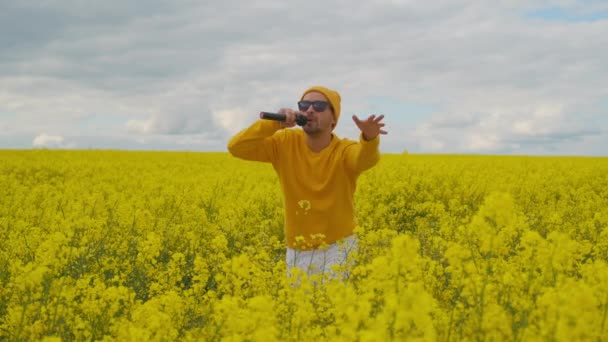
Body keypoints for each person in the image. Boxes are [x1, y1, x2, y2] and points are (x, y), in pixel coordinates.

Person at [227, 86, 387, 278]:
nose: (310, 110)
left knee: (331, 304)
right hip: (297, 248)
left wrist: (370, 138)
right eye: (304, 105)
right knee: (301, 306)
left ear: (334, 118)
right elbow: (236, 147)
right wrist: (274, 124)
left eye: (319, 106)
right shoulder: (283, 142)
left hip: (340, 245)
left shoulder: (344, 150)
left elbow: (365, 160)